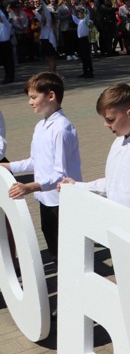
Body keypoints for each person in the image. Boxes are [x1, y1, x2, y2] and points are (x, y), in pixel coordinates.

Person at [62, 84, 130, 241]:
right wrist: (77, 186)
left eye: (110, 119)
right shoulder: (118, 142)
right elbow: (113, 183)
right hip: (120, 224)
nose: (106, 124)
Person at [2, 73, 82, 262]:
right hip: (46, 198)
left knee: (67, 251)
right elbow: (34, 161)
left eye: (33, 97)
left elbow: (60, 175)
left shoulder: (62, 128)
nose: (30, 102)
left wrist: (29, 187)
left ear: (51, 96)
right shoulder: (41, 126)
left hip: (62, 200)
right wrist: (7, 166)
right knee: (54, 248)